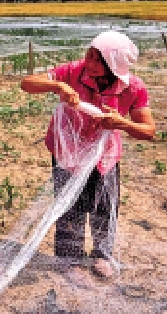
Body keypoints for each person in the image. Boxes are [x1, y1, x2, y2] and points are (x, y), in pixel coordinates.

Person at [20, 30, 155, 279]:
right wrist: (58, 85)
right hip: (68, 150)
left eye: (97, 60)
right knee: (69, 205)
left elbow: (148, 130)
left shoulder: (132, 87)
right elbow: (27, 83)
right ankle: (70, 259)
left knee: (104, 204)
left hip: (104, 155)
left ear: (113, 65)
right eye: (89, 56)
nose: (90, 63)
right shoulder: (73, 72)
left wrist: (122, 123)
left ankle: (102, 255)